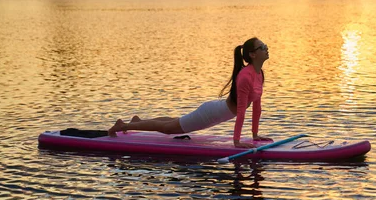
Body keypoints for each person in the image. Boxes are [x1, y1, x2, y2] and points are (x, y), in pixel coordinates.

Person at [107, 37, 273, 148]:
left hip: (217, 112)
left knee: (175, 122)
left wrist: (255, 134)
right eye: (262, 47)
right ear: (252, 54)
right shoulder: (245, 77)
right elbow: (242, 110)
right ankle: (123, 125)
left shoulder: (259, 74)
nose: (266, 49)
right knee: (169, 128)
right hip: (210, 114)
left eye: (265, 46)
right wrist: (237, 142)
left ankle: (138, 121)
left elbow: (256, 107)